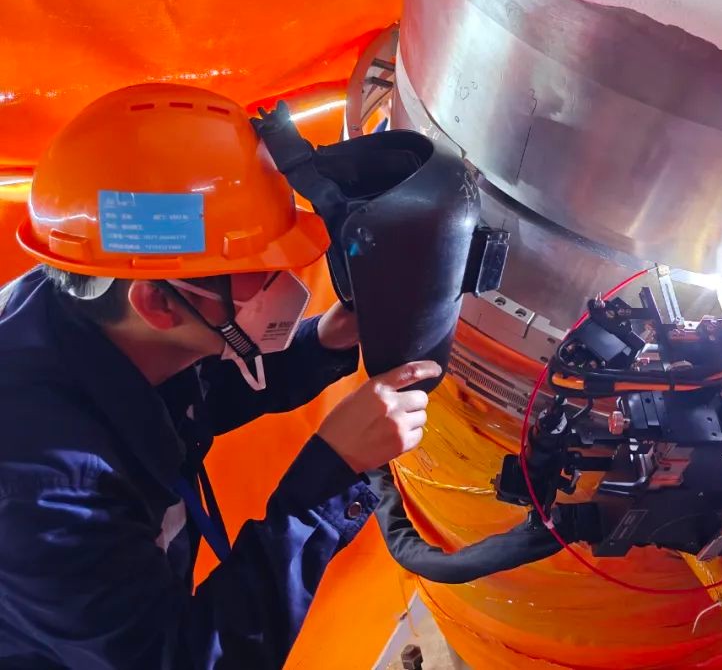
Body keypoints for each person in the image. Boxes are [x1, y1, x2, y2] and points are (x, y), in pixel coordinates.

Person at [0, 83, 438, 668]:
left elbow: (191, 388)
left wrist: (322, 341)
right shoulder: (48, 497)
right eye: (259, 269)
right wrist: (326, 479)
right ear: (157, 302)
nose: (285, 283)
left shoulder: (89, 299)